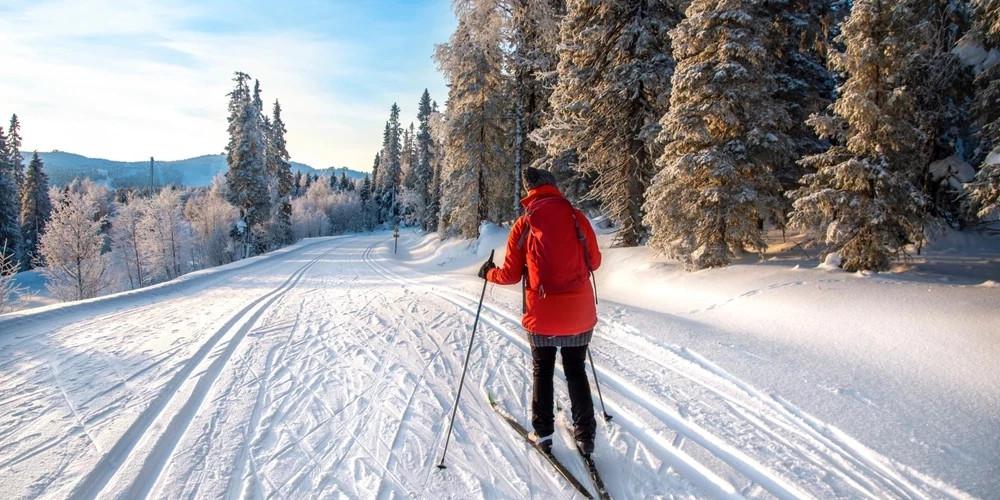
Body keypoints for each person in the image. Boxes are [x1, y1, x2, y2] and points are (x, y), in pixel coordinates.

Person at [479, 167, 602, 457]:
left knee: (542, 371)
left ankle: (544, 433)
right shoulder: (577, 217)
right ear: (553, 187)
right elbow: (594, 262)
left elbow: (509, 275)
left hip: (541, 315)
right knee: (575, 370)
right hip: (579, 314)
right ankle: (585, 436)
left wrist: (488, 274)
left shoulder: (524, 223)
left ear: (530, 190)